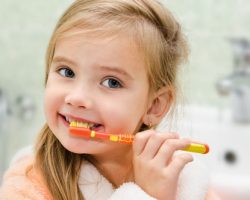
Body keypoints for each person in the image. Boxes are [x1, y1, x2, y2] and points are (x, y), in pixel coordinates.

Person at [0, 0, 220, 199]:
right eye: (66, 72)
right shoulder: (26, 185)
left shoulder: (184, 180)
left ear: (155, 105)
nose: (77, 98)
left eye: (111, 82)